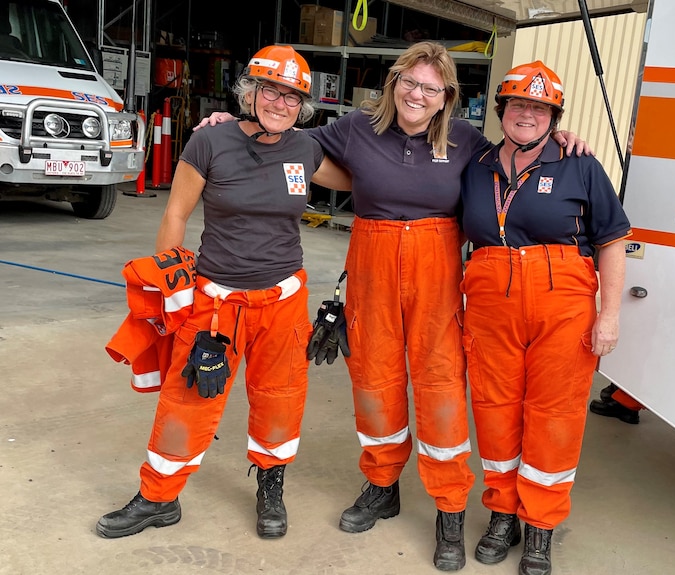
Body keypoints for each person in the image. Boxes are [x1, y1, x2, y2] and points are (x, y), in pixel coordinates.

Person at [198, 41, 590, 571]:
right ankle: (382, 485)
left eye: (431, 87)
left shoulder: (467, 140)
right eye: (410, 81)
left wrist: (557, 138)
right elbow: (283, 139)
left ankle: (449, 509)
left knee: (441, 383)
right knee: (375, 378)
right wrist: (232, 123)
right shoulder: (354, 129)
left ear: (446, 95)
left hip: (437, 268)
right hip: (371, 261)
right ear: (394, 82)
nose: (417, 93)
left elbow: (518, 151)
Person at [96, 44, 351, 540]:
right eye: (271, 92)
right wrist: (171, 292)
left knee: (280, 399)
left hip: (283, 301)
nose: (280, 104)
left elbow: (366, 180)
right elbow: (176, 215)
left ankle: (270, 487)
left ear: (303, 105)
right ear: (250, 92)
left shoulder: (305, 148)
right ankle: (158, 497)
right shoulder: (210, 143)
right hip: (215, 302)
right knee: (186, 400)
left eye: (292, 97)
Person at [459, 61, 631, 575]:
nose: (527, 115)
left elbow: (612, 239)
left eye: (539, 107)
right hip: (491, 300)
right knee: (494, 409)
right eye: (518, 105)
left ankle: (540, 523)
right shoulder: (476, 163)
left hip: (563, 304)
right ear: (501, 111)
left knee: (554, 416)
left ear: (554, 116)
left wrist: (610, 315)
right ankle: (502, 513)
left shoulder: (579, 164)